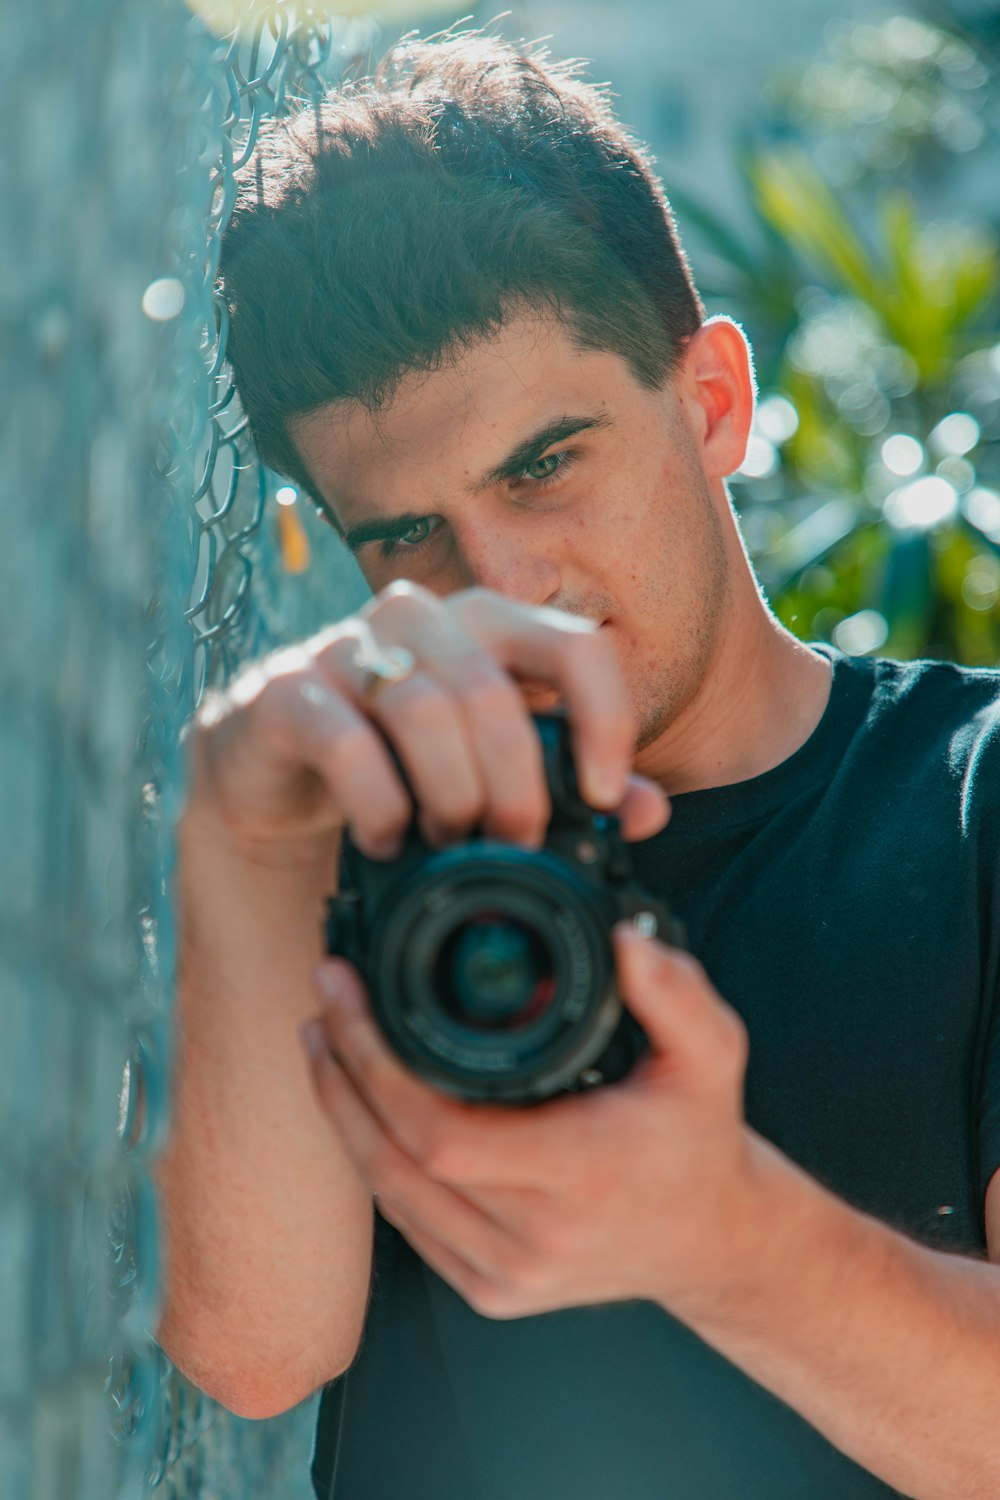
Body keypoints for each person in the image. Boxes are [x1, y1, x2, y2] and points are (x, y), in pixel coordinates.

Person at [155, 30, 1000, 1500]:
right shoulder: (351, 824)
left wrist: (726, 1234)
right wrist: (241, 839)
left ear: (713, 401)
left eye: (544, 464)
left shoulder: (972, 795)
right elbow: (255, 1351)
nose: (503, 583)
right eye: (405, 538)